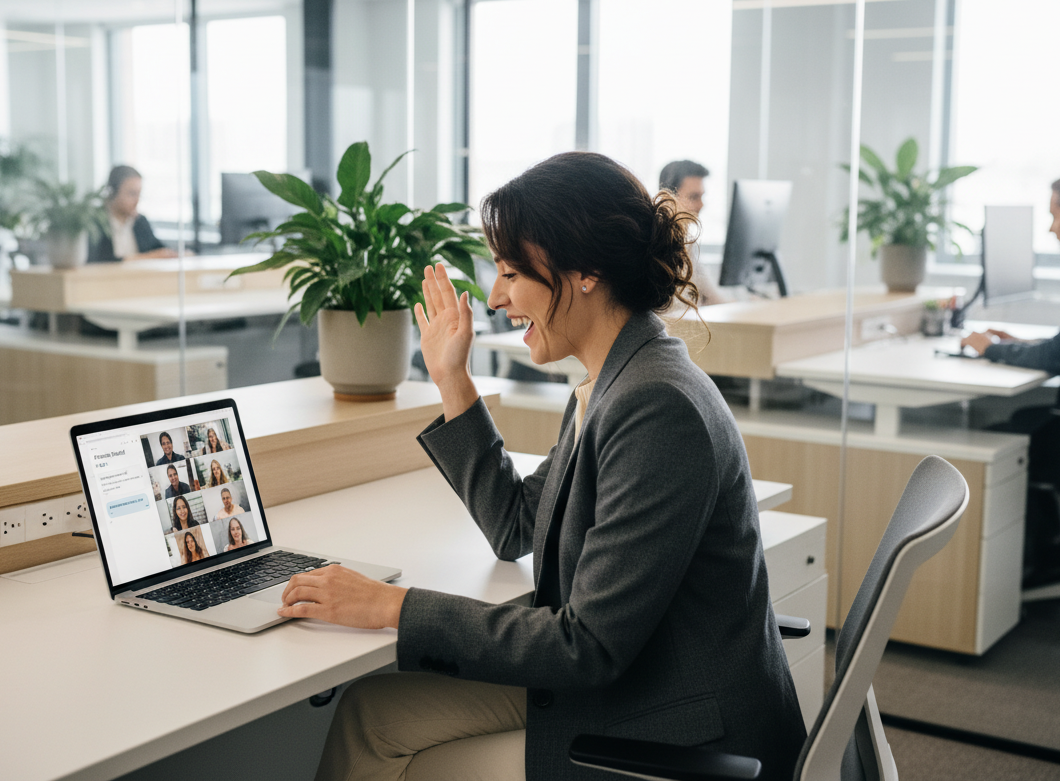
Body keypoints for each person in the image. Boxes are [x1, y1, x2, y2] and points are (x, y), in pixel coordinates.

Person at [277, 152, 806, 781]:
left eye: (510, 273)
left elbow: (587, 648)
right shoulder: (613, 379)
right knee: (371, 715)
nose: (496, 298)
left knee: (398, 750)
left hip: (674, 729)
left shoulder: (654, 406)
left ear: (584, 272)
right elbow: (516, 525)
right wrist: (451, 378)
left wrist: (390, 606)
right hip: (644, 677)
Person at [963, 169, 1060, 581]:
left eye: (1056, 215)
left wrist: (995, 348)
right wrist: (1018, 343)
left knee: (1003, 434)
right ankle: (1054, 550)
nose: (1051, 227)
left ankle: (1044, 556)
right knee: (1022, 420)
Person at [659, 159, 728, 305]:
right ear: (667, 197)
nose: (701, 205)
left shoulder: (687, 243)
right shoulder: (655, 247)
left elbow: (712, 297)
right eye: (694, 197)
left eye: (702, 196)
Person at [88, 165, 177, 263]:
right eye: (132, 194)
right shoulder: (95, 223)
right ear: (113, 192)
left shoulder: (140, 222)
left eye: (139, 194)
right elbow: (101, 260)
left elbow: (160, 250)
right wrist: (149, 257)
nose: (137, 200)